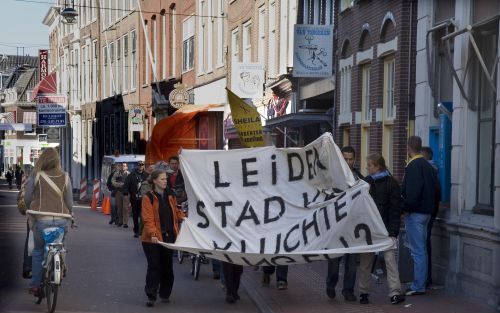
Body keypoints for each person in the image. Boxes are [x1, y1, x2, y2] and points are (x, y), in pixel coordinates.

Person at [23, 148, 73, 297]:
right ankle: (61, 267)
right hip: (61, 219)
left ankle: (35, 286)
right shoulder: (65, 176)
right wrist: (70, 213)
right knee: (61, 245)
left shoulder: (36, 175)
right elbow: (69, 202)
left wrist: (30, 207)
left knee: (38, 251)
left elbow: (27, 198)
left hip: (41, 219)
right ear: (57, 160)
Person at [357, 153, 405, 305]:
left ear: (377, 167)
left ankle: (395, 293)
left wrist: (393, 232)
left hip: (385, 230)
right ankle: (363, 293)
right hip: (369, 229)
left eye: (369, 165)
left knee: (390, 260)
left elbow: (395, 210)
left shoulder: (391, 183)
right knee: (366, 261)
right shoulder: (366, 182)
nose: (367, 167)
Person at [141, 170, 185, 307]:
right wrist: (153, 234)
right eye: (162, 179)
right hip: (151, 239)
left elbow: (176, 211)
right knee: (154, 266)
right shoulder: (148, 197)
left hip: (168, 236)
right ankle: (151, 295)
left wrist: (183, 217)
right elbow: (148, 219)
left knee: (167, 267)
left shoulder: (170, 195)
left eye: (166, 179)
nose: (165, 181)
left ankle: (165, 293)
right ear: (154, 181)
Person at [401, 136, 438, 296]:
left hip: (415, 214)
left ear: (409, 148)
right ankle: (421, 282)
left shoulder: (414, 166)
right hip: (427, 213)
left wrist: (406, 208)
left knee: (417, 250)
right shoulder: (428, 166)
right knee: (421, 249)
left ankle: (418, 285)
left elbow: (413, 192)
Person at [325, 146, 362, 301]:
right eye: (345, 158)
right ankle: (330, 284)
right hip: (337, 227)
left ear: (355, 159)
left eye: (350, 159)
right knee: (334, 260)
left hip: (353, 227)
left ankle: (348, 290)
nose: (348, 162)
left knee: (352, 262)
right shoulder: (333, 178)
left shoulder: (359, 178)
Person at [421, 146, 440, 288]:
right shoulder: (433, 170)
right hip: (430, 212)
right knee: (424, 244)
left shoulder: (427, 171)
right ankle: (425, 278)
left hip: (426, 212)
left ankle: (425, 279)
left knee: (423, 245)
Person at [125, 161, 148, 237]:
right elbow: (126, 185)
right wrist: (126, 194)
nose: (141, 166)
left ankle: (142, 230)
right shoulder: (131, 175)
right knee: (135, 215)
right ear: (137, 166)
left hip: (144, 198)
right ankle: (136, 231)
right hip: (134, 198)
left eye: (142, 165)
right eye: (139, 165)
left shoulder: (147, 175)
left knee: (143, 215)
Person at [112, 163, 129, 227]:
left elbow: (131, 183)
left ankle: (125, 223)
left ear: (127, 167)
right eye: (122, 166)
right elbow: (113, 182)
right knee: (119, 208)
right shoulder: (116, 174)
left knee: (126, 208)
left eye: (124, 166)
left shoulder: (129, 174)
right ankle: (120, 221)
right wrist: (119, 184)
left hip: (126, 193)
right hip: (118, 192)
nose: (123, 167)